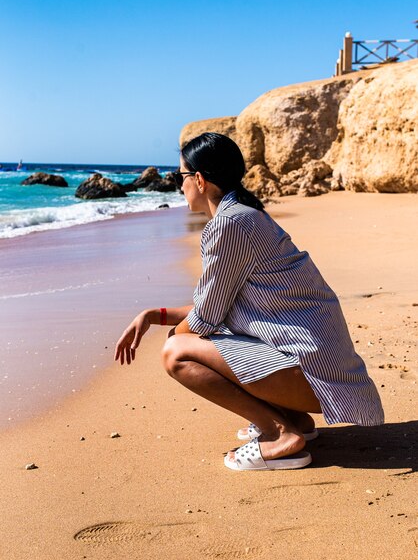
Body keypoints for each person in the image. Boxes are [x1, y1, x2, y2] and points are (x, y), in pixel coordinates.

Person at [115, 132, 384, 471]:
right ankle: (294, 420)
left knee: (176, 352)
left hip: (317, 378)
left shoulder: (230, 225)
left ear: (199, 180)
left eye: (180, 177)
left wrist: (174, 336)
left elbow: (205, 318)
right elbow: (212, 304)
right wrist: (153, 314)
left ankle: (280, 432)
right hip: (324, 372)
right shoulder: (246, 216)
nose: (178, 185)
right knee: (193, 339)